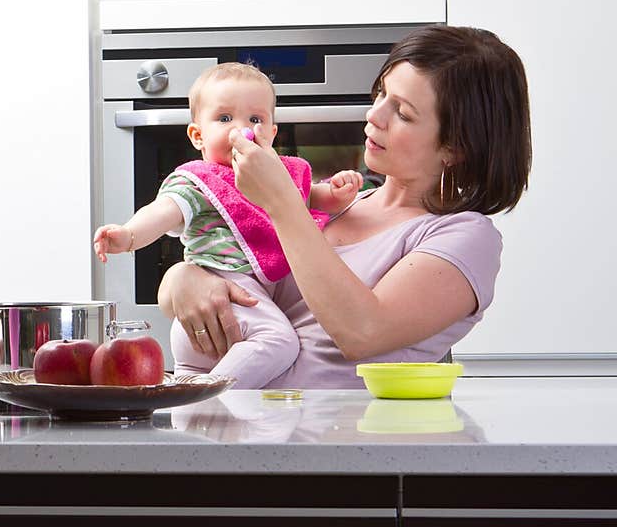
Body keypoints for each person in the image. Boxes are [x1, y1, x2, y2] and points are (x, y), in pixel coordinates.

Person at [157, 25, 533, 389]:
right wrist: (183, 279)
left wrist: (280, 201)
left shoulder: (464, 237)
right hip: (228, 427)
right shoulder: (335, 201)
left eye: (402, 112)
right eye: (381, 94)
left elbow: (363, 332)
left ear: (456, 147)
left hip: (333, 445)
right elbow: (236, 280)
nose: (374, 115)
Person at [93, 61, 365, 387]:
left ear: (273, 132)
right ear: (197, 135)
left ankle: (189, 403)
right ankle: (205, 396)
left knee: (190, 421)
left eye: (256, 119)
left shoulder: (278, 174)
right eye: (224, 119)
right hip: (217, 299)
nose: (242, 130)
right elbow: (162, 211)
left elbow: (306, 198)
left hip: (226, 323)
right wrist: (129, 234)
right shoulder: (199, 182)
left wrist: (335, 193)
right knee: (279, 342)